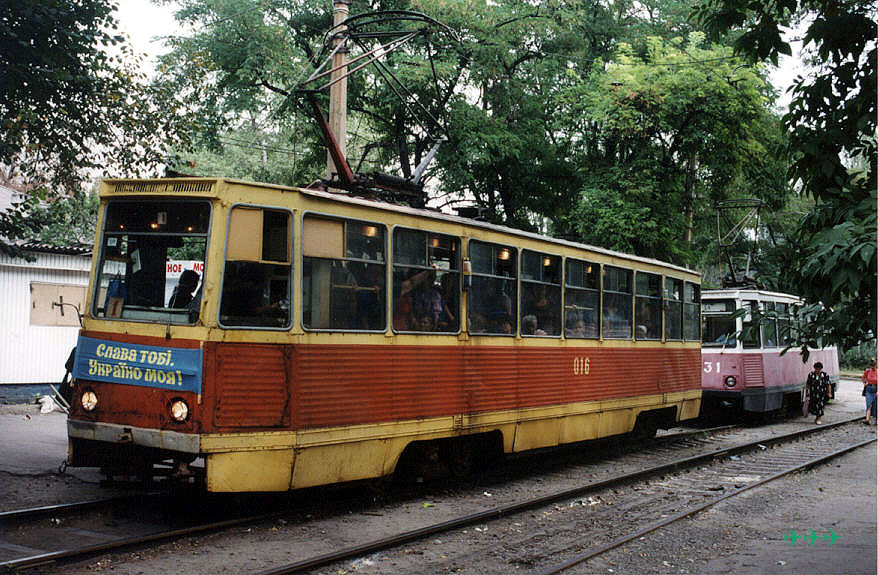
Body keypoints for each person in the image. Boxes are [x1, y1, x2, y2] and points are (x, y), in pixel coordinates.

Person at [861, 358, 878, 425]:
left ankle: (876, 420)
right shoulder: (867, 371)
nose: (872, 367)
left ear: (876, 365)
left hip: (876, 388)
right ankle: (867, 419)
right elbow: (863, 377)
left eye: (873, 365)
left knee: (876, 405)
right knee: (869, 404)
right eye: (871, 365)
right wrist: (865, 383)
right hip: (869, 389)